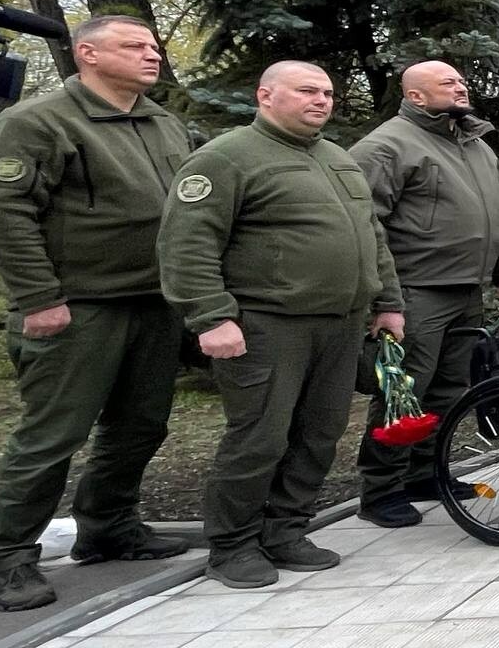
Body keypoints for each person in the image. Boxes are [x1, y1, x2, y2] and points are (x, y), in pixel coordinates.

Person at [0, 14, 195, 611]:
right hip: (77, 307)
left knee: (141, 425)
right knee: (53, 435)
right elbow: (3, 214)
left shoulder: (162, 123)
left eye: (153, 45)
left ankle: (109, 527)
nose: (152, 55)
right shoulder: (36, 122)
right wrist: (38, 298)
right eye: (134, 46)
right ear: (87, 55)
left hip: (155, 301)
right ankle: (9, 557)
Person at [156, 61, 404, 589]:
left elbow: (372, 237)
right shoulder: (227, 158)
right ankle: (232, 545)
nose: (321, 100)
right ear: (265, 96)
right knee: (260, 436)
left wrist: (388, 302)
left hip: (340, 324)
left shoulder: (337, 158)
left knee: (320, 432)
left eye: (328, 92)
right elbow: (187, 244)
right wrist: (211, 316)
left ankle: (286, 530)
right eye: (307, 91)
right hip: (269, 324)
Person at [350, 60, 499, 528]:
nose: (461, 87)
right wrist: (385, 300)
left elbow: (493, 218)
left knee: (448, 389)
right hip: (416, 289)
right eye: (448, 82)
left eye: (461, 80)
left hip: (466, 288)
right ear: (415, 96)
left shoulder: (475, 144)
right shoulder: (386, 146)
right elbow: (364, 226)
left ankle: (424, 474)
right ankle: (380, 490)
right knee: (404, 389)